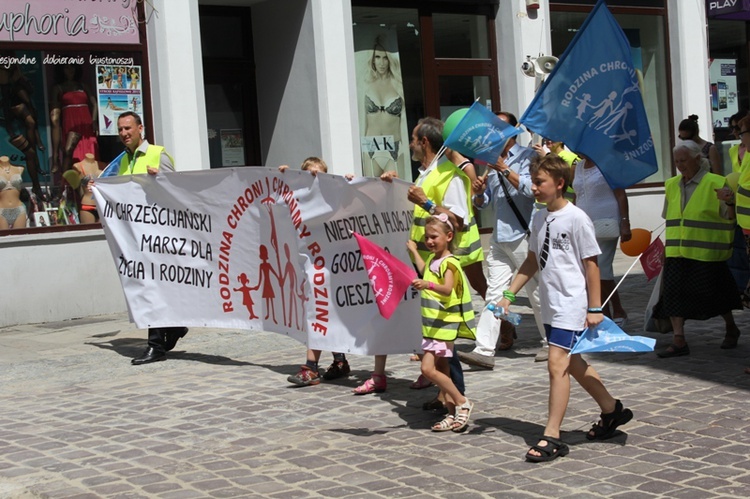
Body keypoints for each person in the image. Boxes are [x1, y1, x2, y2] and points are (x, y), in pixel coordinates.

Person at [497, 154, 633, 462]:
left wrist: (595, 307)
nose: (533, 187)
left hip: (572, 303)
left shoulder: (577, 218)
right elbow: (532, 260)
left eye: (540, 182)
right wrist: (508, 294)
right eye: (532, 181)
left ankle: (552, 436)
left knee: (556, 364)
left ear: (559, 184)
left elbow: (592, 265)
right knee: (572, 362)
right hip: (551, 303)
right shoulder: (538, 217)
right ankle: (612, 410)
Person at [354, 117, 485, 400]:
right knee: (435, 335)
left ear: (424, 142)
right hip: (428, 264)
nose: (410, 143)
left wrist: (425, 202)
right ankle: (443, 396)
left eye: (413, 138)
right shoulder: (427, 172)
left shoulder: (449, 174)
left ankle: (456, 396)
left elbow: (457, 221)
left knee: (444, 338)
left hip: (445, 267)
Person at [458, 111, 548, 371]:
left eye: (498, 129)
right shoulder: (489, 161)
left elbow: (533, 191)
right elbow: (487, 202)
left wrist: (505, 169)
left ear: (511, 133)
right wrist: (478, 195)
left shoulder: (528, 157)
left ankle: (550, 341)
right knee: (494, 293)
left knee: (536, 293)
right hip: (499, 238)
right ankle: (484, 349)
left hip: (523, 235)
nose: (493, 134)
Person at [113, 111, 189, 364]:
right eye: (120, 129)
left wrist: (161, 180)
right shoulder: (123, 161)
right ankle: (175, 327)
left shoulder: (158, 154)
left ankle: (155, 345)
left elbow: (175, 191)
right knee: (150, 286)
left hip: (158, 234)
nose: (124, 133)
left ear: (140, 128)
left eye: (128, 128)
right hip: (136, 234)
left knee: (152, 286)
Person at [654, 140, 740, 357]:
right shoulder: (671, 184)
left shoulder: (717, 182)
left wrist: (730, 202)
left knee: (717, 295)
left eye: (683, 160)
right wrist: (665, 249)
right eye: (676, 161)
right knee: (673, 295)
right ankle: (679, 339)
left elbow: (731, 217)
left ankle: (731, 327)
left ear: (696, 159)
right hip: (676, 251)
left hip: (707, 252)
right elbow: (671, 218)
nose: (679, 165)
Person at [281, 157, 352, 386]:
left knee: (320, 312)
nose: (314, 178)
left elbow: (349, 202)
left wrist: (350, 183)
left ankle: (311, 367)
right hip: (311, 264)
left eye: (319, 174)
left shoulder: (332, 198)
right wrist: (283, 177)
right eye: (309, 174)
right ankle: (339, 360)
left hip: (331, 263)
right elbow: (277, 203)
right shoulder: (299, 199)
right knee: (322, 312)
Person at [407, 213, 475, 432]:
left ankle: (462, 401)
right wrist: (415, 252)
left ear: (448, 236)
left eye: (434, 237)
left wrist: (428, 285)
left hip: (445, 326)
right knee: (442, 369)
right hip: (433, 325)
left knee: (428, 369)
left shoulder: (450, 263)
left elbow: (446, 288)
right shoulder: (432, 259)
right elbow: (423, 269)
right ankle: (451, 410)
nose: (429, 241)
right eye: (427, 237)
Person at [571, 156, 631, 326]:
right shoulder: (577, 167)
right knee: (590, 270)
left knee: (602, 269)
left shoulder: (607, 163)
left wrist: (625, 221)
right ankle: (609, 311)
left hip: (606, 222)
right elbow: (577, 196)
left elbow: (620, 194)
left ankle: (612, 311)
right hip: (583, 224)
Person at [0, 57, 45, 201]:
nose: (7, 71)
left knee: (30, 153)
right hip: (5, 129)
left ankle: (36, 187)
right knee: (30, 154)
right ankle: (36, 187)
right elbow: (6, 111)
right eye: (5, 69)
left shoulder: (11, 87)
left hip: (9, 128)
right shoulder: (5, 89)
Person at [362, 37, 405, 177]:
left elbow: (403, 121)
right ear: (373, 60)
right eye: (378, 57)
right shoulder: (366, 85)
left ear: (390, 60)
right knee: (370, 193)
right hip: (370, 146)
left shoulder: (398, 85)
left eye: (385, 58)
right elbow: (362, 120)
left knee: (398, 193)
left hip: (394, 147)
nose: (381, 62)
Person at [49, 64, 98, 174]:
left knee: (89, 150)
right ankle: (72, 186)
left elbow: (94, 104)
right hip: (70, 121)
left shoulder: (83, 86)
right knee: (72, 152)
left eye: (72, 67)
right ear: (61, 70)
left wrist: (94, 121)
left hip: (86, 122)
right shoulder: (58, 88)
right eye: (67, 67)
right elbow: (54, 114)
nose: (70, 70)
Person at [67, 153, 101, 224]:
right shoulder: (78, 166)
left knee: (104, 233)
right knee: (89, 232)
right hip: (87, 203)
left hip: (102, 204)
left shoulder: (102, 165)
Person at [0, 156, 27, 229]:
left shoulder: (19, 169)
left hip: (19, 209)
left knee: (19, 238)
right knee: (3, 239)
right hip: (1, 210)